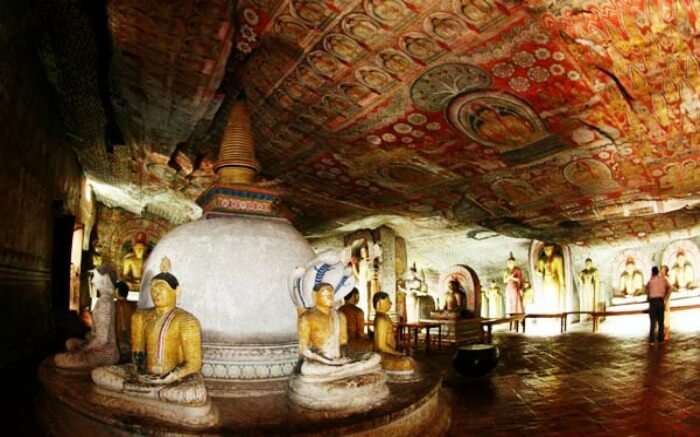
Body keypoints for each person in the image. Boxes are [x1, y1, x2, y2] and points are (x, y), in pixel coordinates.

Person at [645, 266, 671, 344]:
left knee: (653, 322)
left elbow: (646, 289)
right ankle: (661, 339)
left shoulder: (650, 281)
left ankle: (652, 340)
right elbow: (670, 288)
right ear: (658, 272)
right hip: (660, 301)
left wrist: (649, 295)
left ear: (652, 272)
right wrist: (666, 297)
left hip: (653, 303)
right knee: (661, 321)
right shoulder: (663, 280)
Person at [661, 265, 671, 341]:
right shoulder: (662, 279)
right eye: (661, 270)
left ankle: (667, 334)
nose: (662, 271)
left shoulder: (667, 279)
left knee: (666, 317)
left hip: (665, 300)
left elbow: (670, 289)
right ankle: (664, 334)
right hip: (661, 300)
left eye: (663, 270)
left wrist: (665, 300)